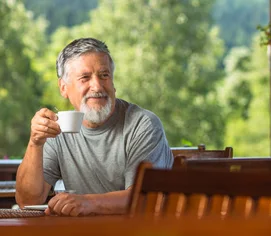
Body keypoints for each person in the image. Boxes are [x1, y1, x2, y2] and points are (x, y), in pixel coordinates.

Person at [16, 38, 173, 216]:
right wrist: (35, 143)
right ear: (63, 87)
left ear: (113, 82)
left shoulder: (143, 125)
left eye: (104, 75)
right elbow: (27, 201)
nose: (97, 86)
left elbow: (146, 198)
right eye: (85, 78)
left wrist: (88, 202)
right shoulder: (57, 129)